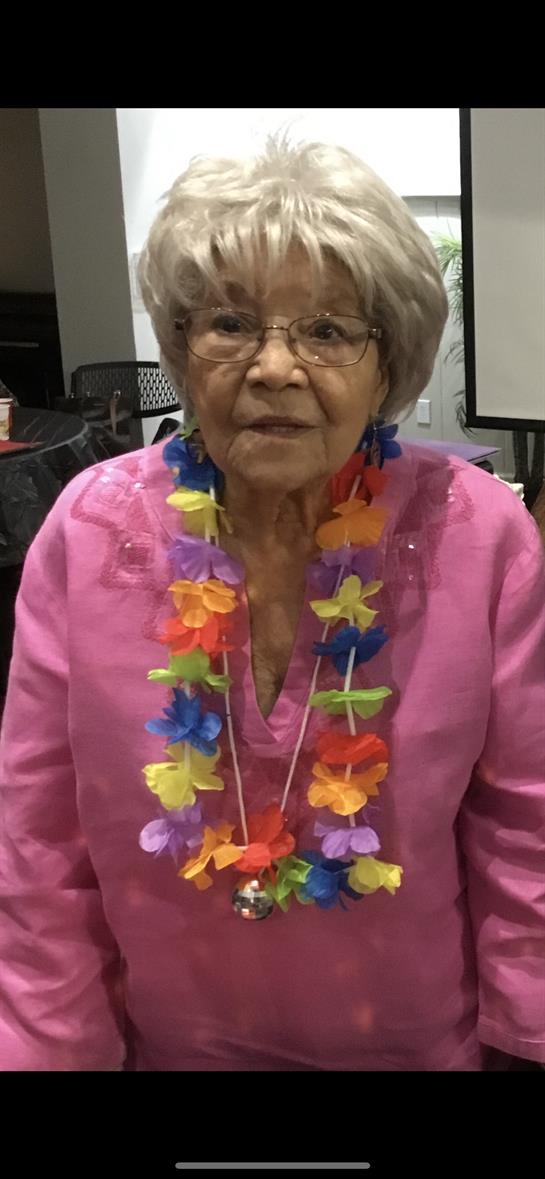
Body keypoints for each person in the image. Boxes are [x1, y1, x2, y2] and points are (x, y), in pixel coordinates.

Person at [0, 137, 543, 1072]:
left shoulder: (479, 533)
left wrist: (528, 1040)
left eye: (328, 331)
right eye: (230, 324)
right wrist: (53, 1052)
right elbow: (37, 842)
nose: (275, 367)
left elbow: (527, 824)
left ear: (390, 364)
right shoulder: (91, 530)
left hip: (420, 1053)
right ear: (181, 347)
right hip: (162, 1053)